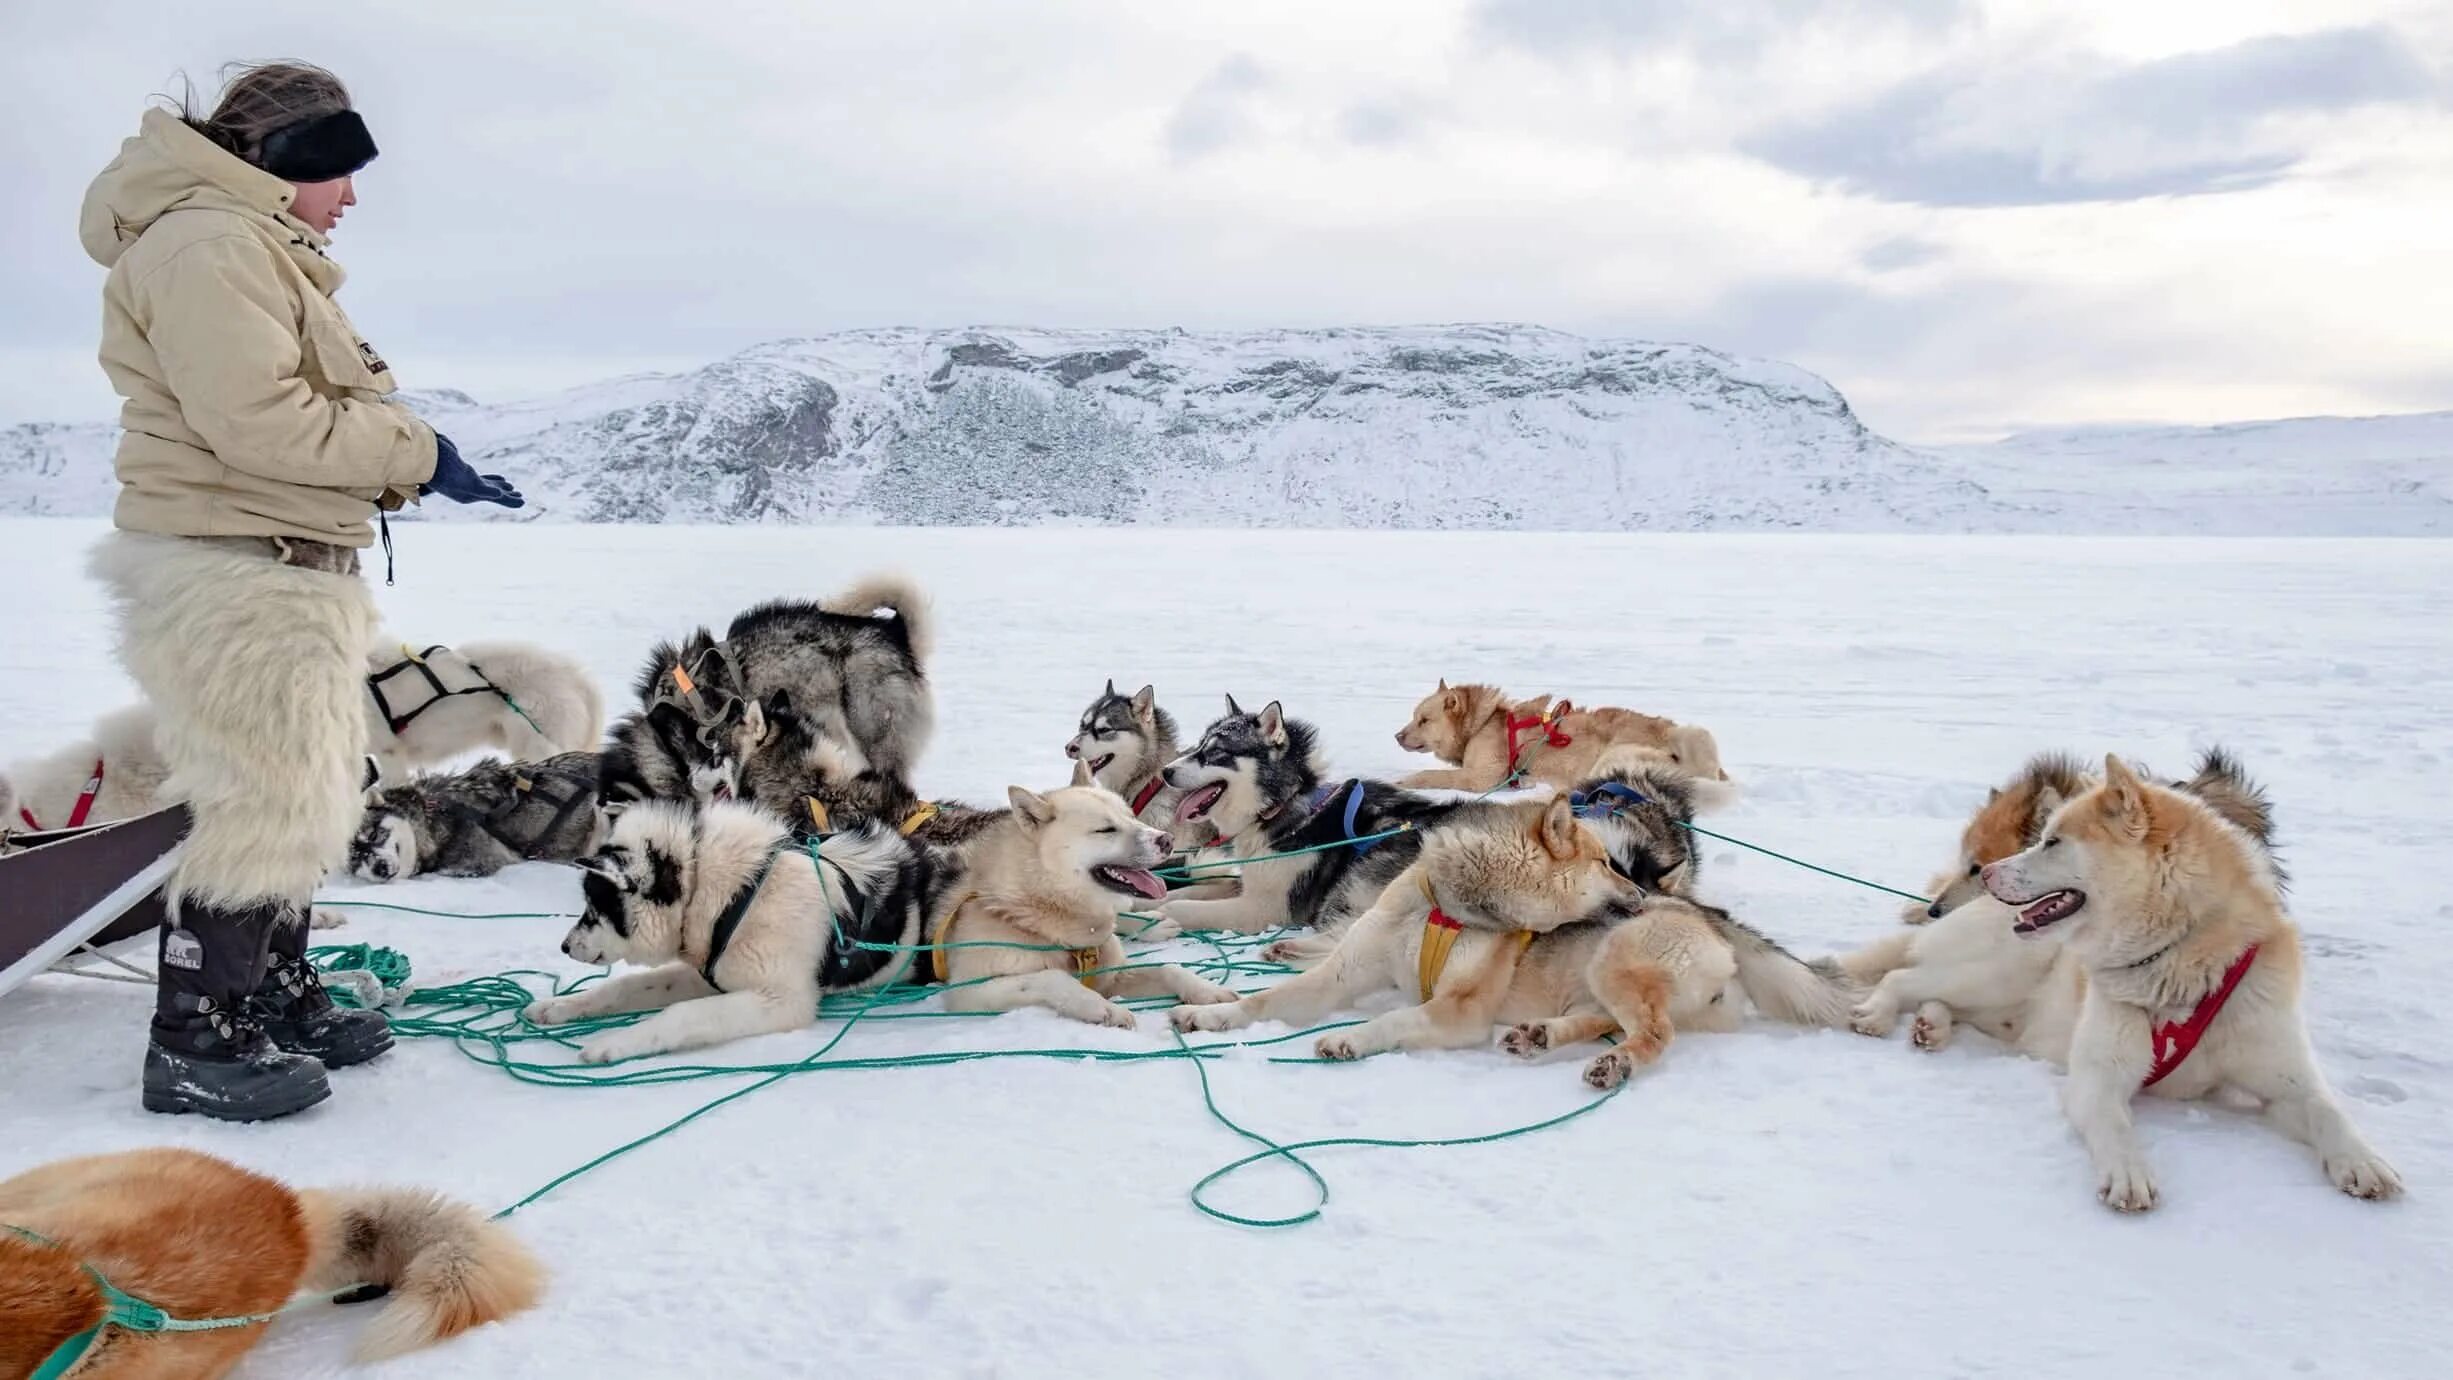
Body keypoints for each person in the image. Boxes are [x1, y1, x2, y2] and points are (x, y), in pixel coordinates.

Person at [78, 62, 523, 1120]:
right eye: (342, 172)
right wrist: (416, 451)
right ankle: (196, 1036)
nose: (353, 198)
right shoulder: (209, 245)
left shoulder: (246, 245)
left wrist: (404, 460)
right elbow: (259, 422)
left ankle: (267, 990)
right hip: (235, 564)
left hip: (277, 557)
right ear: (282, 160)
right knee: (259, 798)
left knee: (305, 788)